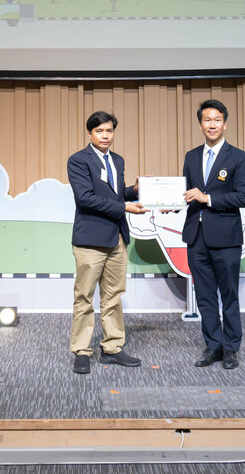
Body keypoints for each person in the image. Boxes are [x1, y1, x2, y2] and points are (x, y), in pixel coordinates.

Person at [67, 111, 146, 374]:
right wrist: (124, 206)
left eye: (109, 131)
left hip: (117, 238)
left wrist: (134, 191)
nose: (105, 136)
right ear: (89, 133)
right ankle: (81, 350)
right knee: (84, 297)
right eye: (99, 131)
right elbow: (86, 198)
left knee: (113, 296)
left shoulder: (118, 160)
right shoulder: (78, 160)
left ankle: (112, 347)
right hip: (90, 240)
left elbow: (114, 194)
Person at [182, 99, 245, 370]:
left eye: (217, 120)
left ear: (225, 124)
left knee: (229, 295)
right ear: (200, 125)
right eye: (207, 120)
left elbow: (244, 196)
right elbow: (188, 194)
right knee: (205, 296)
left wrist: (207, 198)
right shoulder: (191, 156)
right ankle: (213, 345)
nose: (212, 124)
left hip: (226, 239)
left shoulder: (239, 157)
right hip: (196, 237)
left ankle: (231, 348)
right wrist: (168, 203)